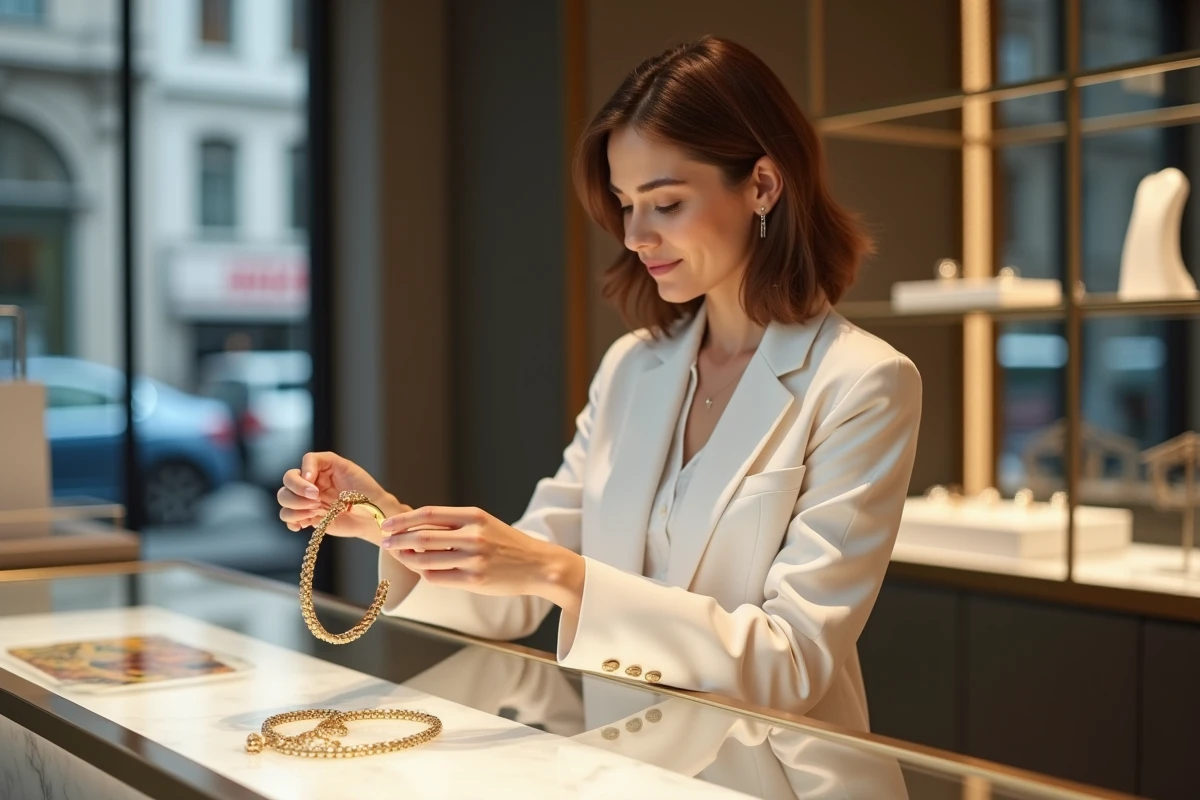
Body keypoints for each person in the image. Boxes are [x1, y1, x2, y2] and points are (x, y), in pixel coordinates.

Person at [277, 35, 922, 732]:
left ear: (762, 185)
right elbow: (513, 595)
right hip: (620, 762)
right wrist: (384, 521)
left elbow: (792, 662)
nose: (635, 234)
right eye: (623, 202)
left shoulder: (864, 383)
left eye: (665, 202)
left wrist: (566, 575)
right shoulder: (634, 366)